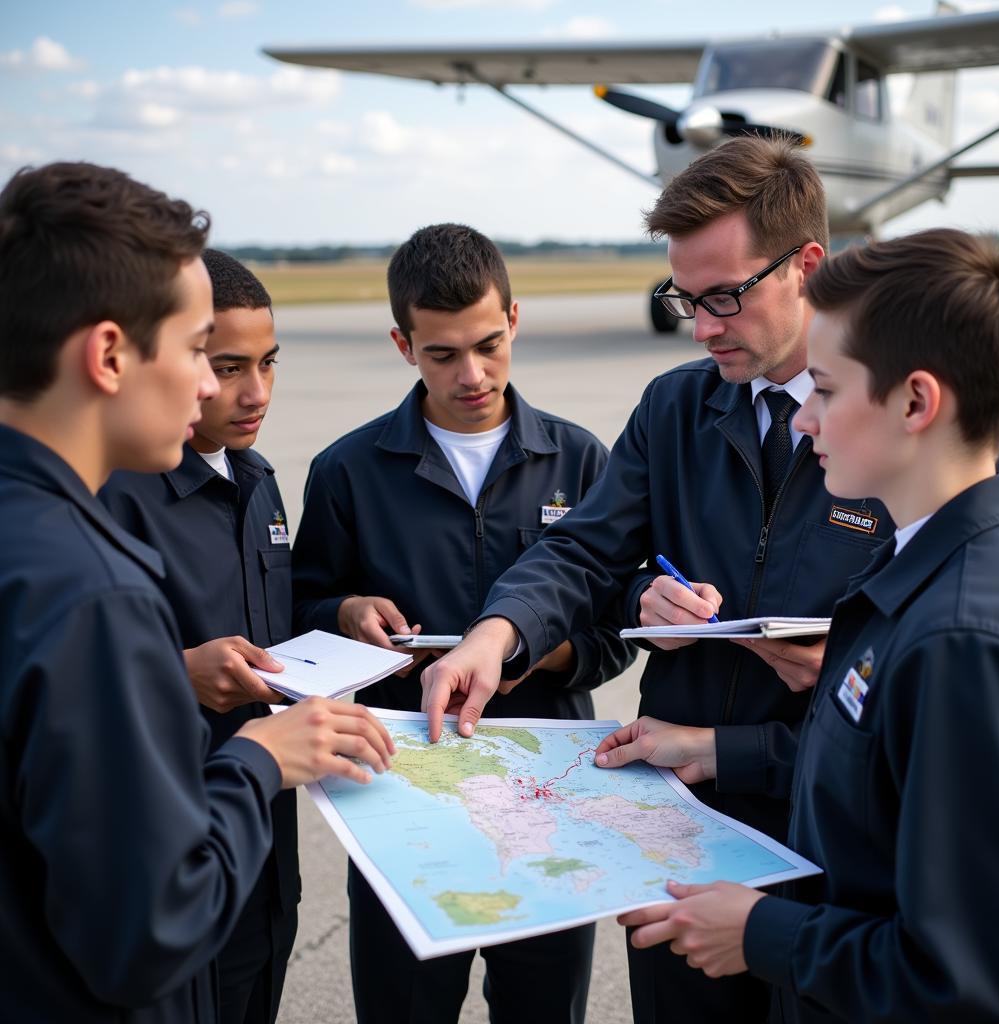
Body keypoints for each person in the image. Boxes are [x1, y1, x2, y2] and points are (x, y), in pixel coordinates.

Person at [418, 138, 999, 1022]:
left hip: (830, 850)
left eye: (723, 297)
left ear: (806, 266)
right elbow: (587, 553)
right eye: (683, 299)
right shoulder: (676, 406)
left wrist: (858, 661)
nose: (701, 326)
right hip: (684, 825)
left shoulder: (951, 456)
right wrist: (502, 630)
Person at [0, 161, 394, 1024]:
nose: (216, 388)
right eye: (194, 353)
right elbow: (150, 926)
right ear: (108, 354)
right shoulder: (90, 588)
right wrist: (258, 760)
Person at [611, 228, 999, 1022]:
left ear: (916, 402)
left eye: (827, 391)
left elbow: (966, 978)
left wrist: (763, 932)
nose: (803, 422)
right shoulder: (918, 581)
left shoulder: (958, 640)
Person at [291, 222, 636, 1024]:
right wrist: (341, 613)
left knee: (545, 1006)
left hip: (546, 790)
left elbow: (619, 627)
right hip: (400, 792)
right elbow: (298, 615)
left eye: (488, 344)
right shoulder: (347, 469)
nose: (472, 374)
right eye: (442, 353)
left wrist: (546, 658)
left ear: (514, 319)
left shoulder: (582, 460)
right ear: (402, 344)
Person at [101, 249, 298, 1024]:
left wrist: (345, 612)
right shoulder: (114, 495)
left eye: (270, 363)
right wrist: (176, 673)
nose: (256, 394)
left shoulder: (257, 478)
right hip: (175, 848)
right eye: (226, 366)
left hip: (267, 839)